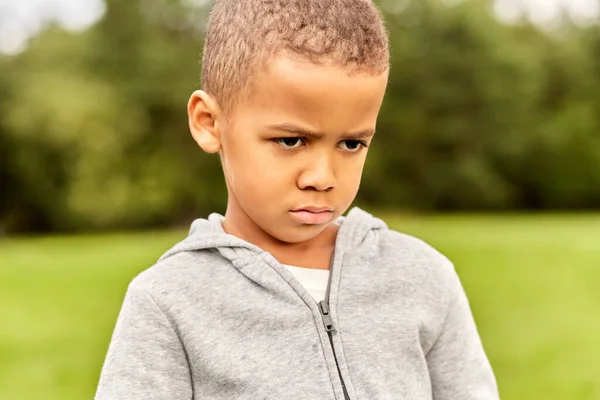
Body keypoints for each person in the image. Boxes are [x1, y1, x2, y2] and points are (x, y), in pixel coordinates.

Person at [95, 0, 499, 399]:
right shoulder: (168, 300)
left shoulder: (422, 277)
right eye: (290, 140)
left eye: (351, 143)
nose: (322, 178)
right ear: (209, 123)